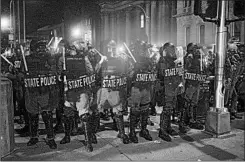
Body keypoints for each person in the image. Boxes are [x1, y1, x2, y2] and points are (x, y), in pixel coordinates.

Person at [58, 40, 102, 152]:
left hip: (81, 90)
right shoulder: (62, 59)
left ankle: (88, 140)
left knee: (84, 116)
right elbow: (58, 75)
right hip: (69, 90)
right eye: (71, 48)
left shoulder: (84, 59)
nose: (71, 51)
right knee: (67, 115)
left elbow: (91, 72)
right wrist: (61, 74)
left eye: (74, 49)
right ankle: (67, 136)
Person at [22, 40, 57, 149]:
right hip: (32, 90)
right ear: (33, 49)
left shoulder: (49, 58)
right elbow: (21, 73)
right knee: (33, 114)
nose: (41, 49)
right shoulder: (26, 59)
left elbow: (54, 71)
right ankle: (33, 136)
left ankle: (50, 138)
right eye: (38, 47)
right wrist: (22, 75)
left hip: (45, 90)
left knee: (47, 114)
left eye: (43, 47)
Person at [96, 40, 130, 144]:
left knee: (118, 111)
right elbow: (94, 72)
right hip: (104, 88)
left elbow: (126, 71)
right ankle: (93, 132)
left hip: (115, 89)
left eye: (114, 47)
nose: (112, 50)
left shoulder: (121, 59)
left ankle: (121, 132)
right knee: (96, 110)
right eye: (110, 47)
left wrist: (125, 60)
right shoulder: (102, 59)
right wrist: (101, 62)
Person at [156, 42, 187, 142]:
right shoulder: (162, 61)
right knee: (166, 110)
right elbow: (162, 74)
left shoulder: (174, 61)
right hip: (165, 89)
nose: (173, 51)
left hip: (173, 89)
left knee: (170, 109)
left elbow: (178, 75)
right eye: (171, 49)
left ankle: (168, 127)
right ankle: (162, 130)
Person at [127, 41, 155, 143]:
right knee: (135, 111)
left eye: (145, 49)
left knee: (145, 110)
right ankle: (132, 132)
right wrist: (134, 70)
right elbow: (128, 76)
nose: (144, 51)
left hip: (146, 88)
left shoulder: (148, 61)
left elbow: (153, 73)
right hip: (136, 88)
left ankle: (144, 129)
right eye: (143, 49)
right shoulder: (131, 60)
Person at [183, 43, 204, 130]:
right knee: (187, 102)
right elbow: (187, 69)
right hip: (191, 83)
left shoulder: (197, 58)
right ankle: (186, 121)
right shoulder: (189, 57)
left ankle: (192, 120)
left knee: (194, 103)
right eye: (194, 49)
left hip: (196, 82)